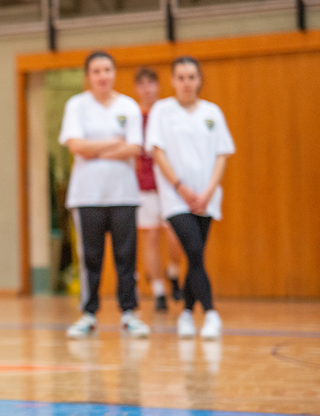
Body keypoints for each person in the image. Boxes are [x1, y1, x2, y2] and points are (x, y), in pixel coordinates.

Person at [59, 51, 150, 339]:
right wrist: (112, 142)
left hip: (124, 195)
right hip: (86, 196)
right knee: (90, 258)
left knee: (126, 256)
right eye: (96, 71)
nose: (103, 76)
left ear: (114, 73)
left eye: (107, 70)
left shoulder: (128, 106)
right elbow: (76, 146)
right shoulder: (76, 105)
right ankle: (88, 313)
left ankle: (129, 313)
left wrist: (94, 149)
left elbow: (134, 147)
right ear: (88, 76)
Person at [146, 56, 234, 340]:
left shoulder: (212, 113)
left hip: (206, 199)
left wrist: (207, 192)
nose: (186, 83)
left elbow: (222, 155)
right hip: (175, 198)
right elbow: (157, 152)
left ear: (199, 80)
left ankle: (186, 313)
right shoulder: (162, 111)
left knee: (196, 257)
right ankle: (211, 313)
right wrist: (180, 187)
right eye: (181, 77)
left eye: (191, 77)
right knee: (194, 251)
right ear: (173, 81)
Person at [132, 67, 183, 312]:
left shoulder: (168, 113)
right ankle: (158, 290)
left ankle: (173, 271)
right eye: (142, 84)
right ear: (136, 88)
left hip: (170, 184)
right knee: (150, 237)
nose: (147, 89)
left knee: (176, 235)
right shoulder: (133, 116)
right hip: (144, 186)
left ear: (159, 86)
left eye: (151, 83)